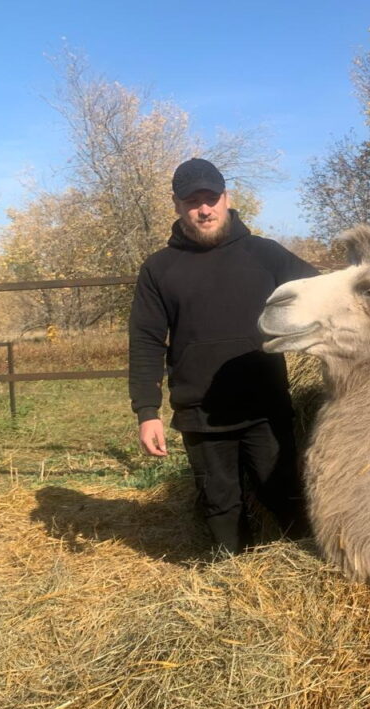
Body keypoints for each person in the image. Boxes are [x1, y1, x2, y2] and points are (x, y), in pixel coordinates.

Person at [129, 158, 320, 554]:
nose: (204, 209)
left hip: (264, 407)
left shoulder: (265, 254)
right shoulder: (159, 269)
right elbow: (146, 339)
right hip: (201, 413)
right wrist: (147, 411)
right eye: (193, 201)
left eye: (211, 198)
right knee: (221, 504)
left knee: (283, 492)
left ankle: (303, 567)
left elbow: (319, 296)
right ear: (177, 205)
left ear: (226, 198)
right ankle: (231, 576)